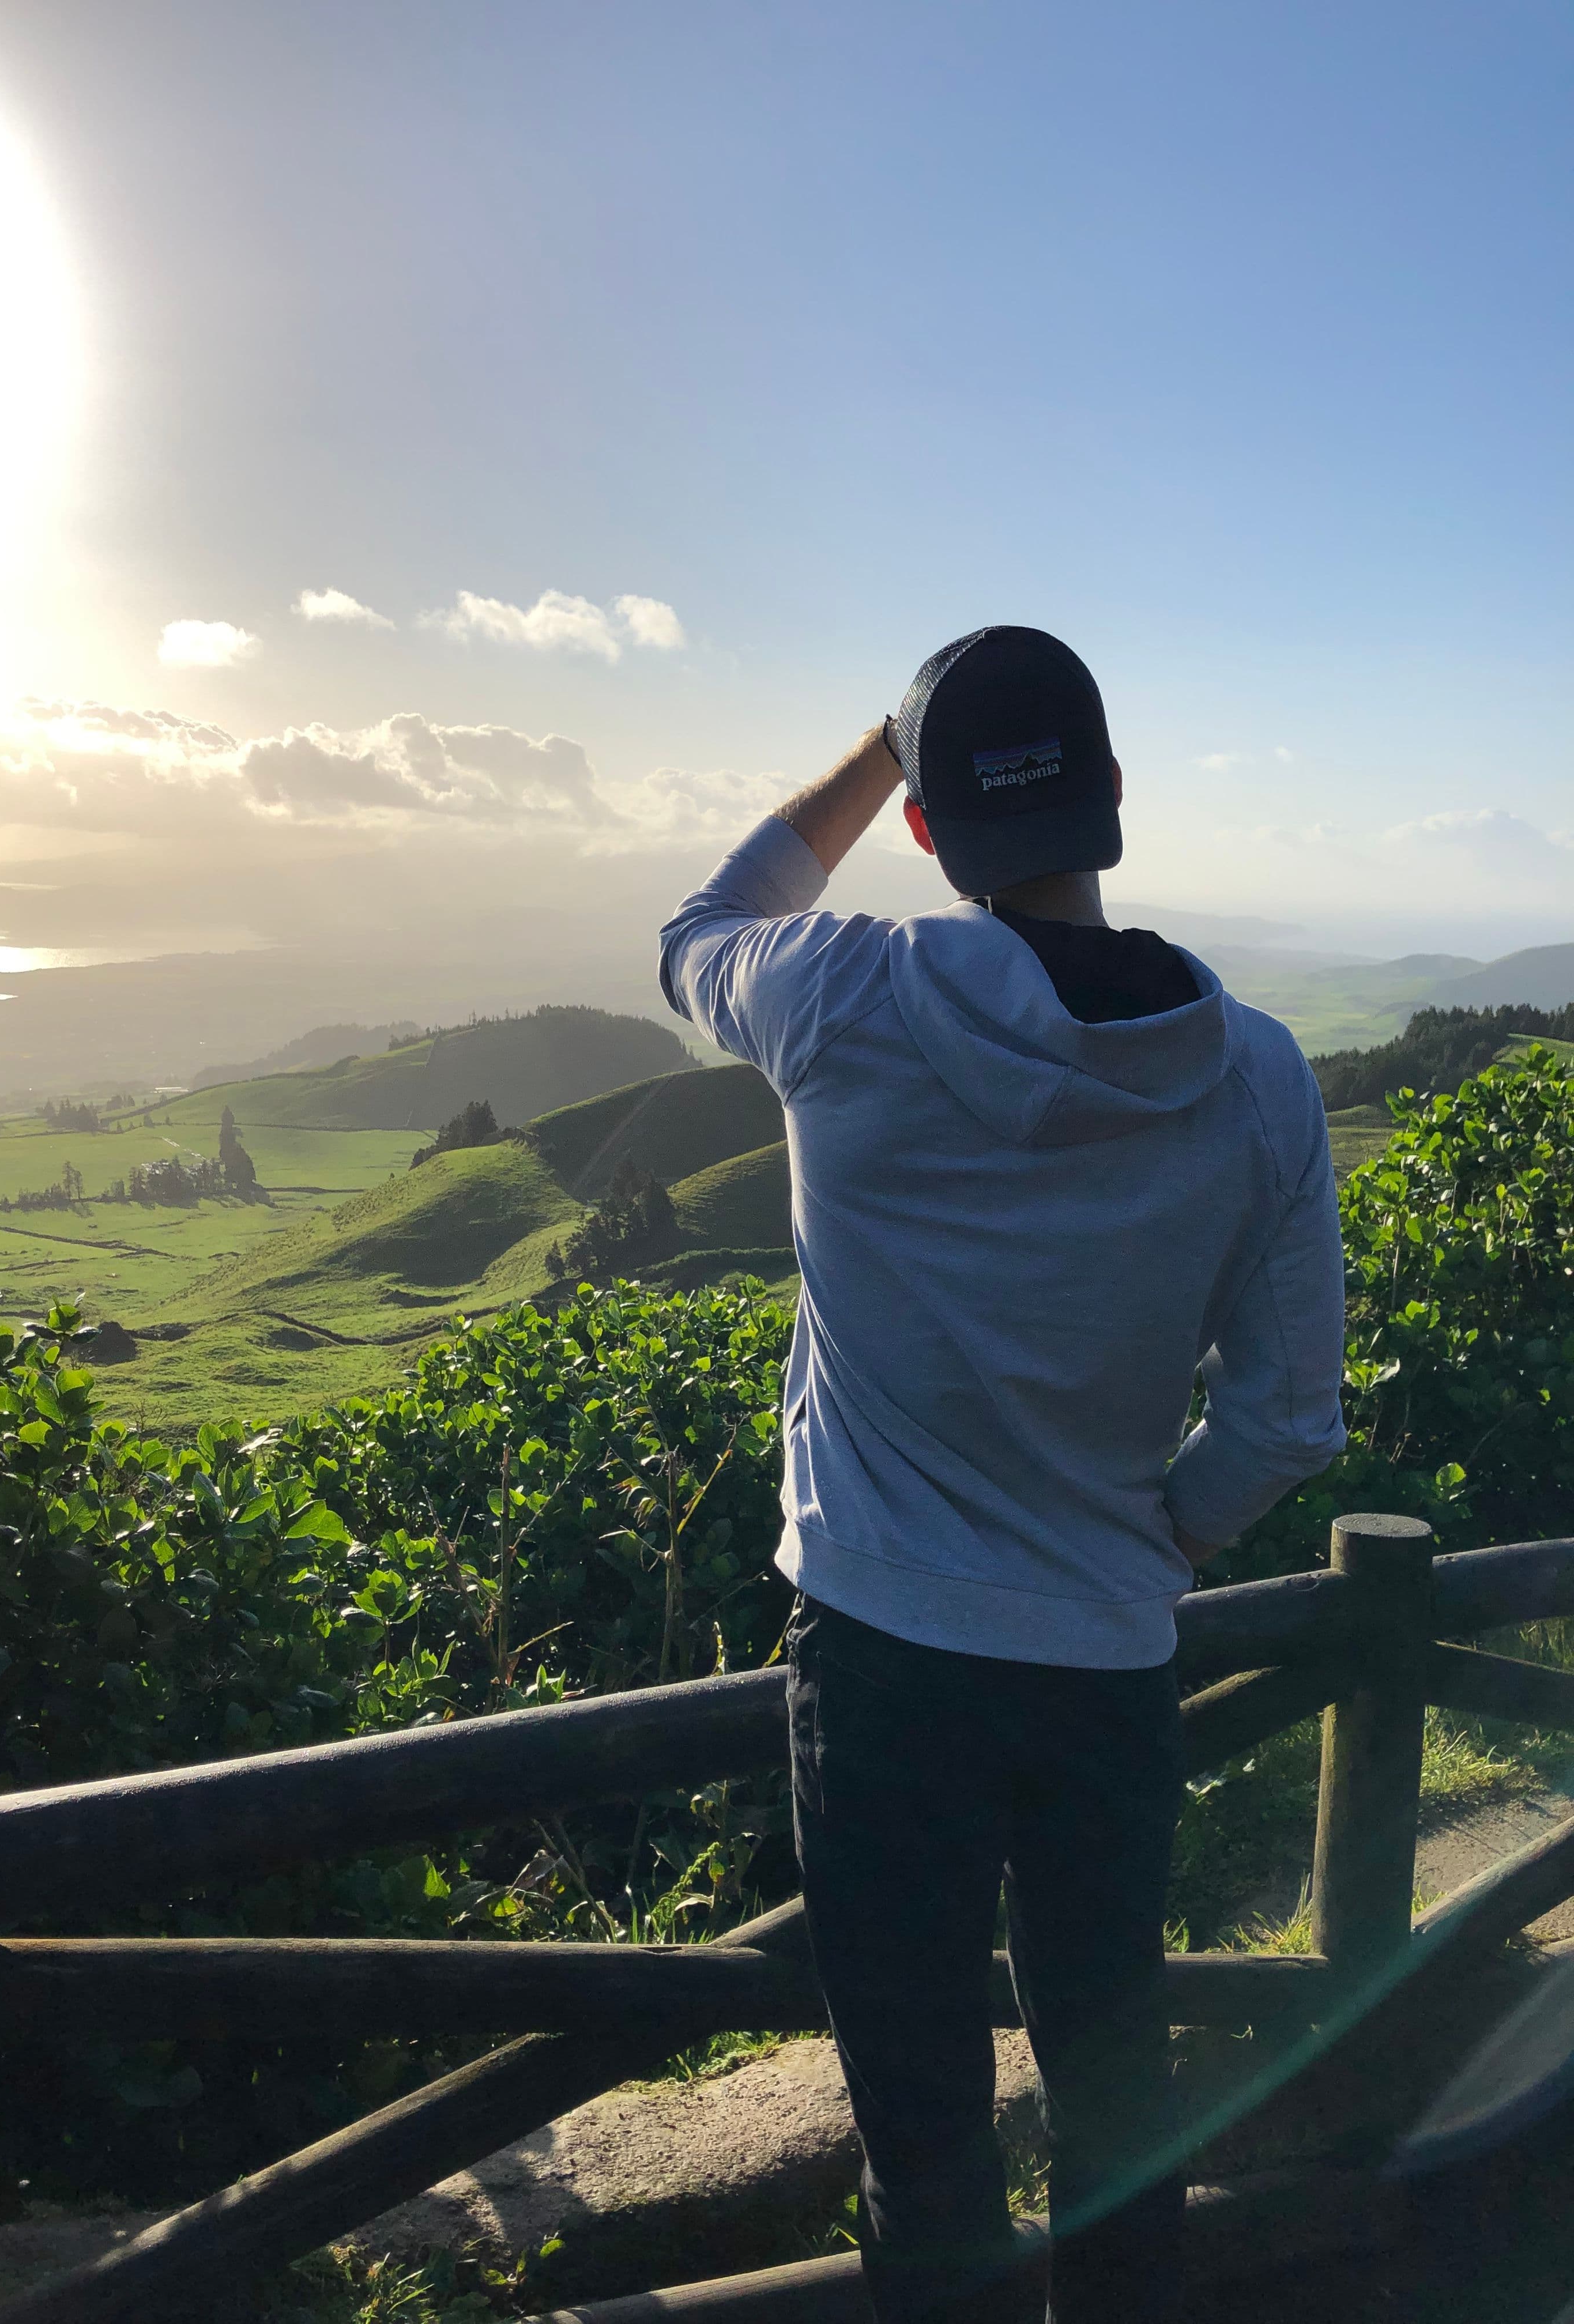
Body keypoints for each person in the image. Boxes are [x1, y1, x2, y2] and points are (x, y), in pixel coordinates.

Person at [657, 627, 1347, 2324]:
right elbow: (1287, 1419)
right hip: (1106, 1666)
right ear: (1116, 797)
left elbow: (695, 936)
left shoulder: (850, 997)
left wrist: (879, 749)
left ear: (921, 832)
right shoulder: (1254, 1072)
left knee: (925, 2145)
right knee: (1119, 2107)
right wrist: (1154, 1541)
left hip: (884, 1659)